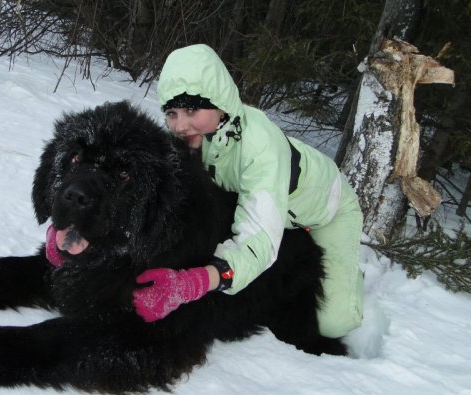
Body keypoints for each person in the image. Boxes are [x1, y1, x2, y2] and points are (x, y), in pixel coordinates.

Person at [132, 44, 364, 339]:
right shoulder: (192, 137)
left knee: (334, 323)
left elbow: (259, 239)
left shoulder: (259, 148)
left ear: (220, 101)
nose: (180, 125)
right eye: (172, 112)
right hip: (270, 207)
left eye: (191, 109)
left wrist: (197, 282)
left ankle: (349, 269)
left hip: (326, 210)